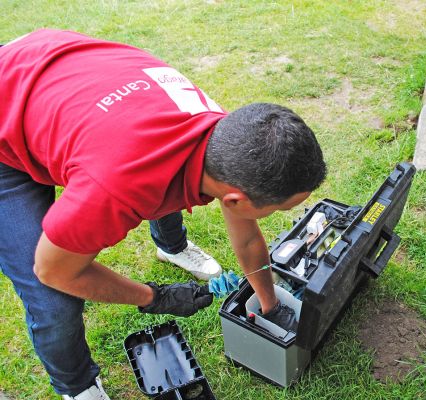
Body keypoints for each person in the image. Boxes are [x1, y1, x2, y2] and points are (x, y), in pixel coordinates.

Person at [0, 29, 326, 400]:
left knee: (174, 178)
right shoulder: (116, 186)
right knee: (53, 300)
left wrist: (269, 304)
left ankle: (171, 246)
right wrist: (153, 297)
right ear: (235, 199)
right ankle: (78, 388)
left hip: (54, 70)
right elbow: (54, 269)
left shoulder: (227, 139)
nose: (282, 212)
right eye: (281, 207)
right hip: (8, 105)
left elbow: (247, 236)